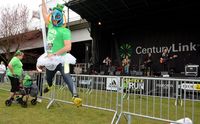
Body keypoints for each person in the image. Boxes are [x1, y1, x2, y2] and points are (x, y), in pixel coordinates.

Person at [39, 0, 82, 107]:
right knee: (49, 79)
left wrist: (55, 54)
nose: (54, 21)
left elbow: (68, 47)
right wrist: (43, 1)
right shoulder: (50, 25)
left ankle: (75, 96)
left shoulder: (65, 31)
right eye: (53, 19)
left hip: (63, 59)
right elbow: (44, 12)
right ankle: (49, 86)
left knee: (67, 76)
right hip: (50, 61)